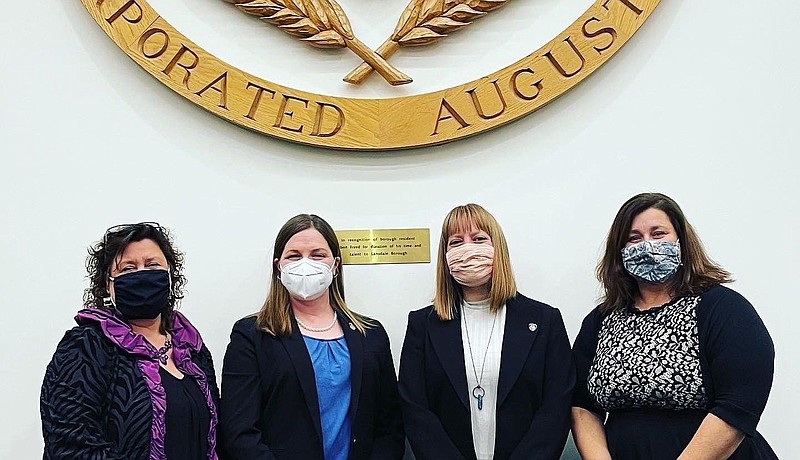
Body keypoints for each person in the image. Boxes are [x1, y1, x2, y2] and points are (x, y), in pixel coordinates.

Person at [572, 193, 777, 459]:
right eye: (634, 238)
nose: (647, 245)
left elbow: (738, 405)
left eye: (658, 234)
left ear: (681, 241)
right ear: (619, 251)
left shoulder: (722, 308)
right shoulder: (601, 319)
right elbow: (581, 405)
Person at [219, 214, 404, 460]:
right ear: (279, 267)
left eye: (318, 255)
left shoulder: (370, 335)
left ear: (335, 265)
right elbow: (239, 432)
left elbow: (389, 426)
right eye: (294, 256)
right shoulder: (252, 336)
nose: (306, 264)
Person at [399, 203, 575, 460]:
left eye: (479, 238)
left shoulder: (544, 321)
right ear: (445, 256)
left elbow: (556, 408)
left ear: (497, 248)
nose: (467, 249)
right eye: (456, 242)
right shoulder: (422, 325)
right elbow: (416, 409)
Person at [40, 222, 220, 459]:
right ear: (108, 285)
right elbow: (70, 443)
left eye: (152, 265)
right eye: (128, 269)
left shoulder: (191, 348)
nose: (141, 274)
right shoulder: (86, 345)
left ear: (169, 275)